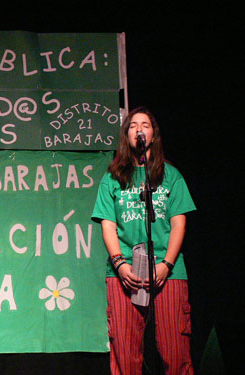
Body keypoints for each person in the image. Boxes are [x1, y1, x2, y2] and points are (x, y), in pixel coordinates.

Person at [91, 107, 196, 375]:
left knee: (175, 350)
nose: (139, 129)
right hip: (125, 271)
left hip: (167, 271)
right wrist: (120, 264)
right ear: (126, 135)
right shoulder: (112, 178)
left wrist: (167, 264)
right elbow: (108, 224)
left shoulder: (171, 176)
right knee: (125, 352)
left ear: (153, 135)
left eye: (145, 125)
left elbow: (178, 223)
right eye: (133, 125)